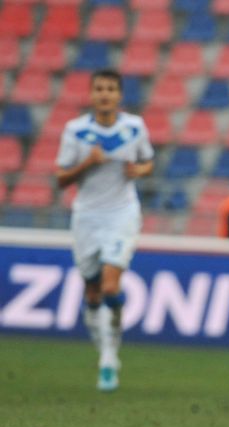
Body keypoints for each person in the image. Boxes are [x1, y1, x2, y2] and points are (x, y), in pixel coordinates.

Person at [55, 69, 154, 392]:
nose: (105, 94)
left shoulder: (134, 127)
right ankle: (105, 349)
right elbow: (60, 178)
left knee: (111, 286)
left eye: (111, 89)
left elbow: (147, 162)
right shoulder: (76, 131)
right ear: (91, 94)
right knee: (92, 292)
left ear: (119, 95)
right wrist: (88, 163)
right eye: (99, 88)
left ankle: (109, 358)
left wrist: (137, 170)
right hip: (86, 217)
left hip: (122, 214)